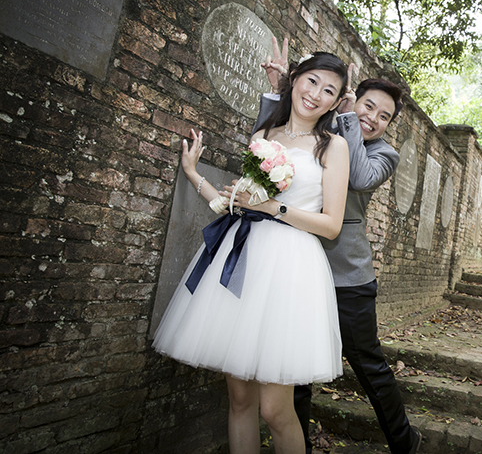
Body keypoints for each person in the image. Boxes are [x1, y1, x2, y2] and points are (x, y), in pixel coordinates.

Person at [153, 52, 351, 454]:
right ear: (295, 79)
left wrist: (273, 208)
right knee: (240, 399)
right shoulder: (265, 135)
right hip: (242, 259)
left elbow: (331, 225)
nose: (315, 94)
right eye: (311, 81)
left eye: (328, 90)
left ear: (335, 102)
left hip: (290, 269)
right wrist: (194, 174)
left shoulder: (334, 147)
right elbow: (236, 205)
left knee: (274, 410)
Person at [256, 38, 422, 454]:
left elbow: (359, 178)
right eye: (368, 107)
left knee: (367, 361)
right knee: (294, 365)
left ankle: (404, 440)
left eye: (384, 116)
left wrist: (347, 120)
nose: (373, 119)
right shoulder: (322, 128)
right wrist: (277, 89)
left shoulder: (384, 154)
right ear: (351, 100)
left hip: (346, 275)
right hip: (296, 266)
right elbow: (272, 150)